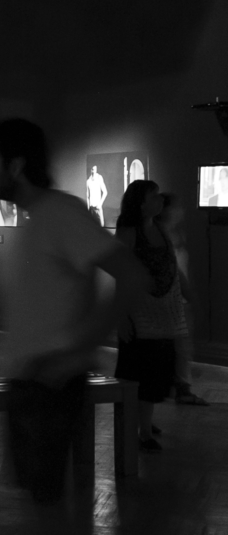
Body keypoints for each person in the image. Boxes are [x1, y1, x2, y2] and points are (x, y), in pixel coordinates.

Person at [0, 118, 148, 503]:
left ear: (15, 166)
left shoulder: (61, 213)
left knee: (51, 507)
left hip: (48, 383)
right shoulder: (42, 217)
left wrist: (77, 353)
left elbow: (133, 276)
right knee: (44, 502)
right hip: (33, 381)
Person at [114, 180, 191, 452]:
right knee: (140, 375)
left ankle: (145, 423)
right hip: (140, 316)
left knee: (155, 373)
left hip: (162, 316)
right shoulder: (128, 233)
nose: (160, 200)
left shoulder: (159, 229)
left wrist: (185, 292)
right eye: (154, 196)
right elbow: (121, 275)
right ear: (141, 204)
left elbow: (170, 265)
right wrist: (121, 317)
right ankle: (142, 431)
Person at [157, 193, 208, 406]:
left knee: (181, 345)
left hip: (179, 300)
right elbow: (176, 271)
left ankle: (176, 387)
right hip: (173, 300)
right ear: (166, 210)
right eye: (177, 207)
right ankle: (180, 389)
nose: (182, 211)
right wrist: (191, 296)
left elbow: (183, 268)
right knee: (181, 346)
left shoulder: (174, 234)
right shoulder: (160, 236)